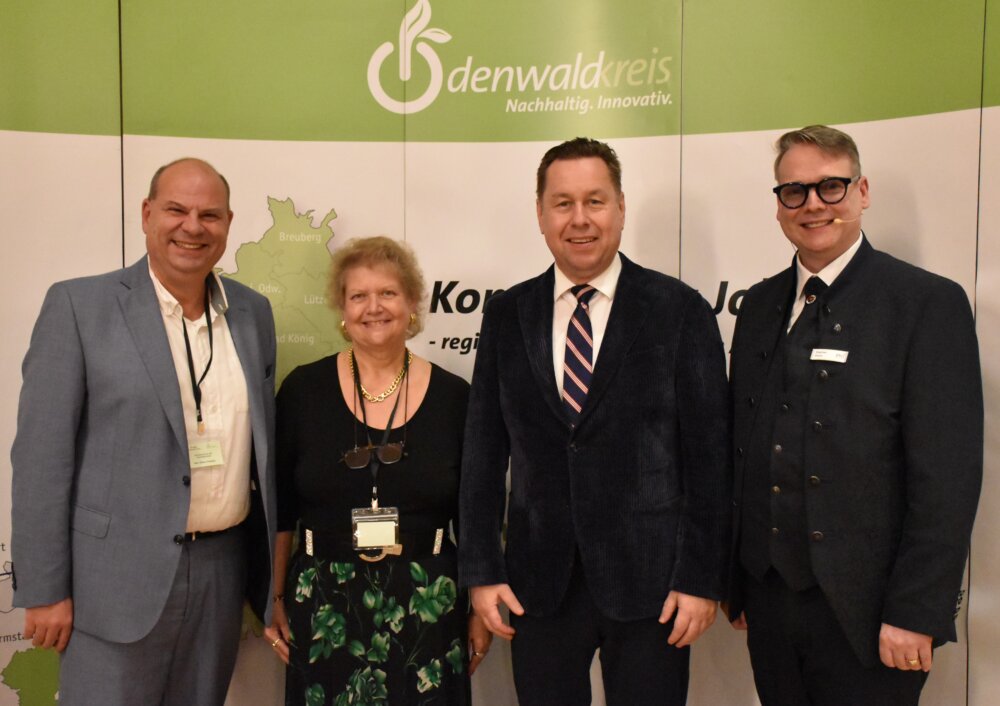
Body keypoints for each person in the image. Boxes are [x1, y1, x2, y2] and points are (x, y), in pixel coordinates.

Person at [458, 137, 731, 706]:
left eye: (595, 201)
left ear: (621, 208)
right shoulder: (507, 314)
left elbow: (710, 461)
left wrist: (700, 579)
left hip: (654, 587)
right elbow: (483, 456)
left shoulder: (679, 310)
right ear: (540, 214)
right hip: (538, 585)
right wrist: (482, 571)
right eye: (563, 203)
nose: (579, 219)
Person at [727, 124, 983, 705]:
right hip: (769, 602)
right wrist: (739, 579)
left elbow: (947, 477)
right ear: (778, 204)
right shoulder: (759, 305)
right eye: (794, 191)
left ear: (862, 192)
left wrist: (917, 610)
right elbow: (744, 446)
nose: (813, 204)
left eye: (831, 186)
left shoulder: (925, 303)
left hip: (873, 615)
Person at [10, 158, 279, 705]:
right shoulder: (79, 306)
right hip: (112, 582)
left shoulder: (253, 313)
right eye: (177, 210)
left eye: (210, 215)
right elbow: (41, 460)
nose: (192, 226)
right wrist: (45, 589)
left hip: (222, 574)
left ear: (229, 224)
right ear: (146, 214)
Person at [264, 236, 491, 706]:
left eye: (388, 293)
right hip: (324, 605)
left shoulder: (455, 398)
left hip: (429, 604)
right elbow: (281, 508)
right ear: (342, 309)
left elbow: (475, 514)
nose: (374, 307)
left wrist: (477, 610)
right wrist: (276, 598)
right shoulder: (303, 391)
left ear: (412, 304)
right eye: (359, 296)